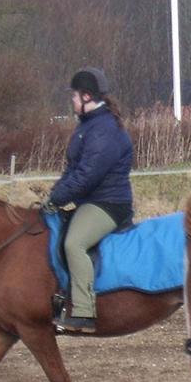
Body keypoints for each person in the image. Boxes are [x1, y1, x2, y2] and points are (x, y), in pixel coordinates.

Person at [45, 67, 134, 334]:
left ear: (86, 97)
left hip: (108, 203)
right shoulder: (87, 125)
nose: (71, 101)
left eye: (73, 96)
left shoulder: (104, 129)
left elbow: (87, 175)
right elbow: (72, 169)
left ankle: (84, 312)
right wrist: (54, 195)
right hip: (91, 199)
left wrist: (60, 197)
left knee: (74, 243)